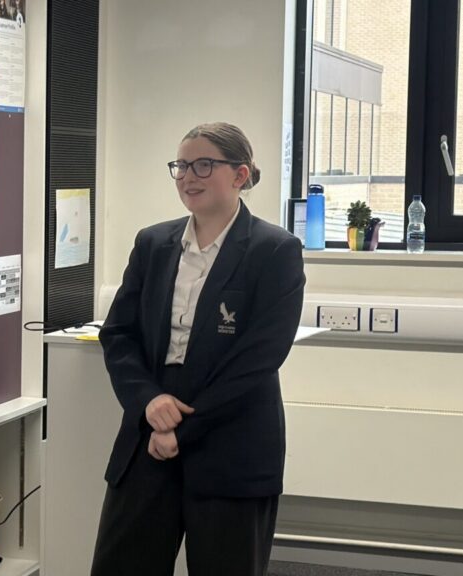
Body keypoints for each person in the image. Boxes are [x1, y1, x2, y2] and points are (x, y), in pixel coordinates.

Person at [91, 122, 305, 576]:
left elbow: (258, 358)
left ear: (240, 175)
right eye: (182, 165)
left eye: (205, 164)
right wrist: (149, 404)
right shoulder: (153, 244)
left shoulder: (275, 250)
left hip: (232, 437)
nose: (189, 176)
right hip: (149, 432)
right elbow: (119, 334)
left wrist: (178, 429)